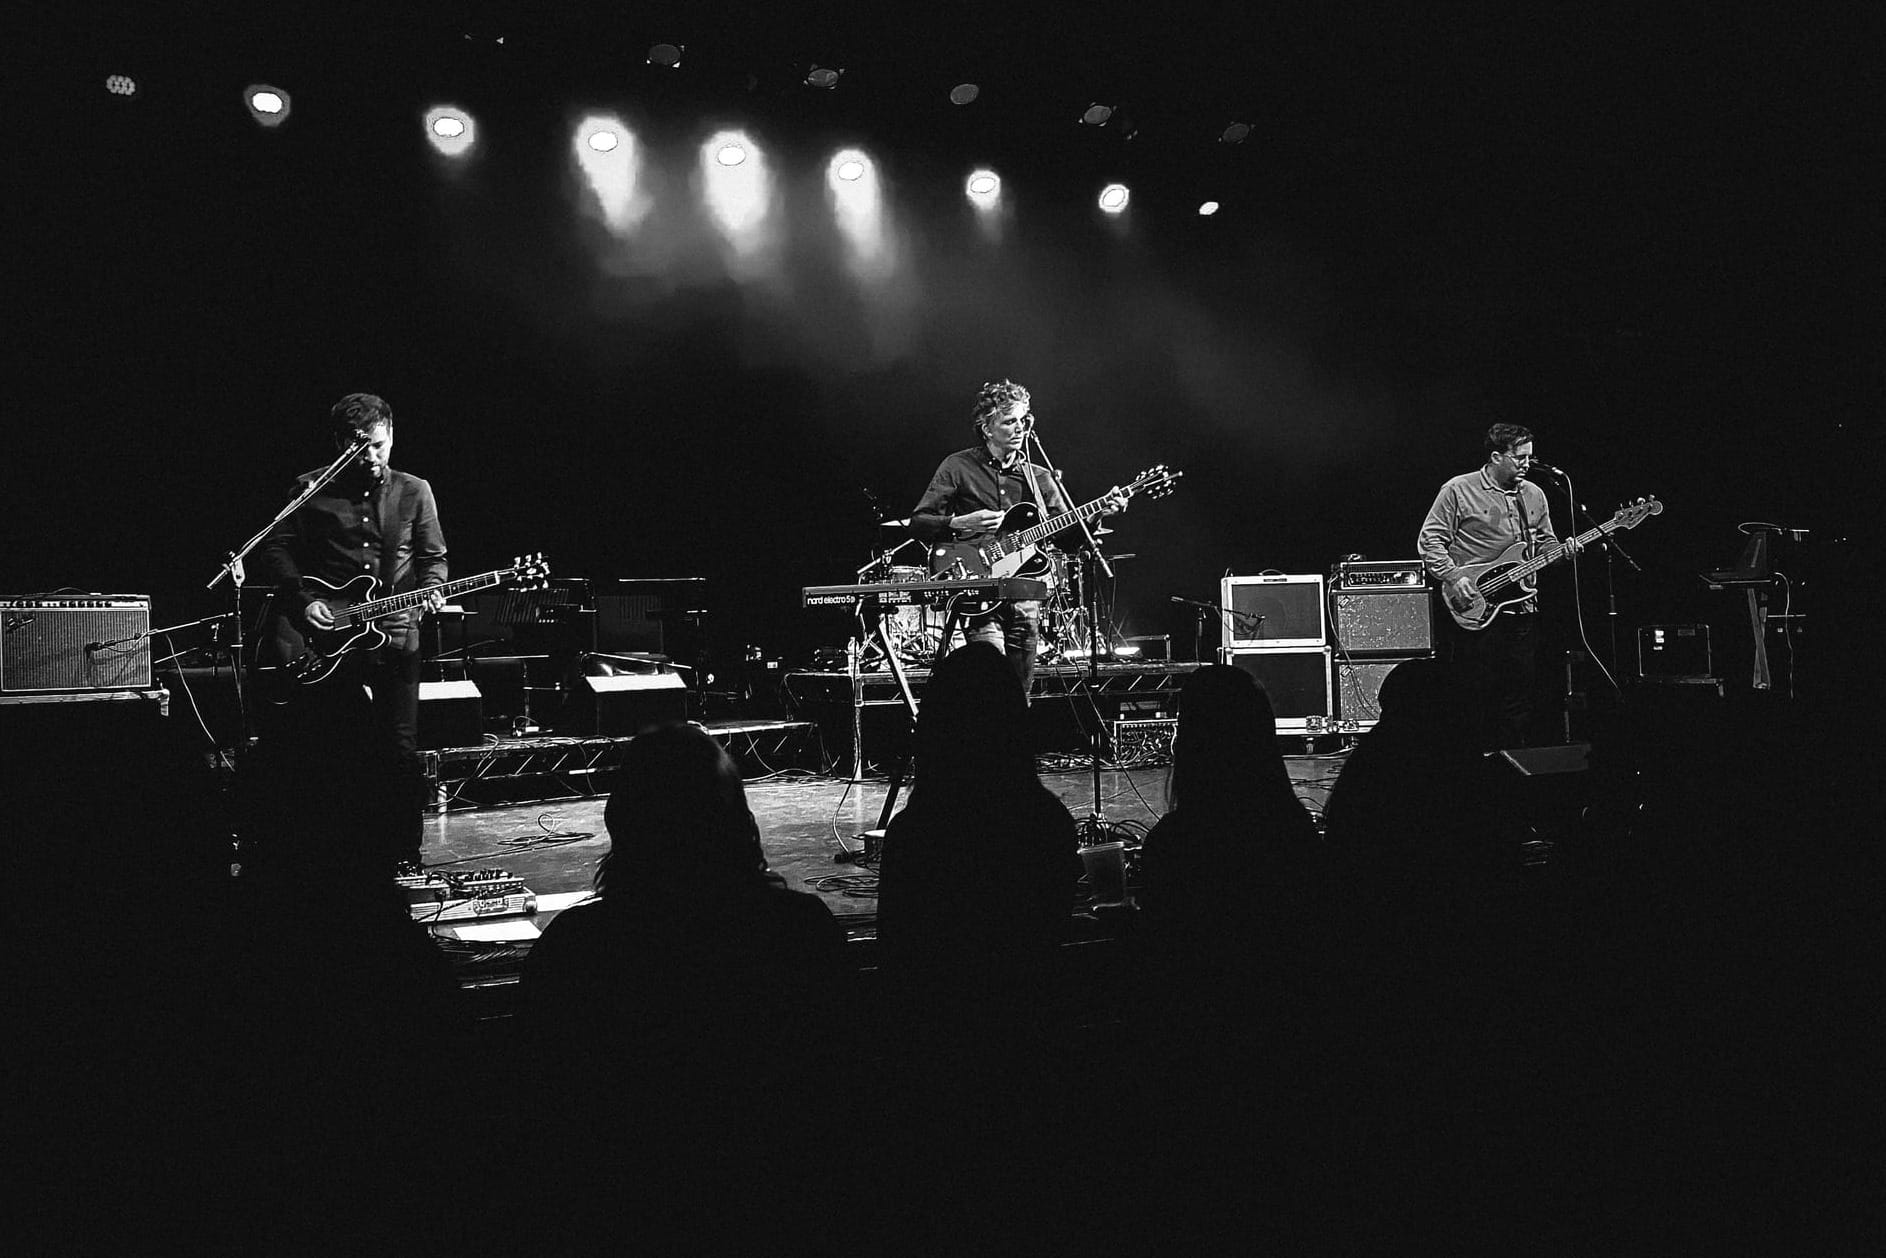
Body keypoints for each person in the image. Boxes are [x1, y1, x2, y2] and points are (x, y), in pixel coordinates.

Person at [249, 392, 447, 873]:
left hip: (397, 635)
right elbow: (275, 551)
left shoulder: (414, 490)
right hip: (325, 639)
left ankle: (404, 855)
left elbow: (433, 559)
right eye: (363, 449)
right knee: (332, 749)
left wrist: (434, 589)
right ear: (341, 444)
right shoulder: (309, 489)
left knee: (400, 750)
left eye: (381, 446)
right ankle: (336, 853)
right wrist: (304, 600)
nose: (375, 457)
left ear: (391, 436)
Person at [909, 378, 1125, 694]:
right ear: (987, 428)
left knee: (1019, 696)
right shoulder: (958, 466)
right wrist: (960, 521)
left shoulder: (1039, 477)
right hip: (979, 593)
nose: (1020, 427)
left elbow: (1066, 538)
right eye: (1010, 421)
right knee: (988, 688)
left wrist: (1099, 513)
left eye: (1024, 419)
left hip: (1026, 599)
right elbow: (919, 523)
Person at [1418, 421, 1577, 749]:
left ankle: (1511, 764)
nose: (1526, 465)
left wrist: (1564, 551)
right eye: (1519, 458)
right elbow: (1430, 540)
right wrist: (1453, 576)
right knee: (1475, 692)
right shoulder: (1458, 490)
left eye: (1529, 458)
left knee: (1519, 693)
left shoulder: (1535, 494)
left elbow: (1546, 545)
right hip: (1475, 605)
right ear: (1495, 457)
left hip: (1521, 608)